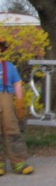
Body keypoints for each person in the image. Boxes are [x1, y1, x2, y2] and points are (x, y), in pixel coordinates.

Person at [0, 37, 34, 176]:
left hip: (6, 99)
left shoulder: (8, 67)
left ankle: (19, 162)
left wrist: (20, 102)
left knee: (12, 130)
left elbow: (17, 84)